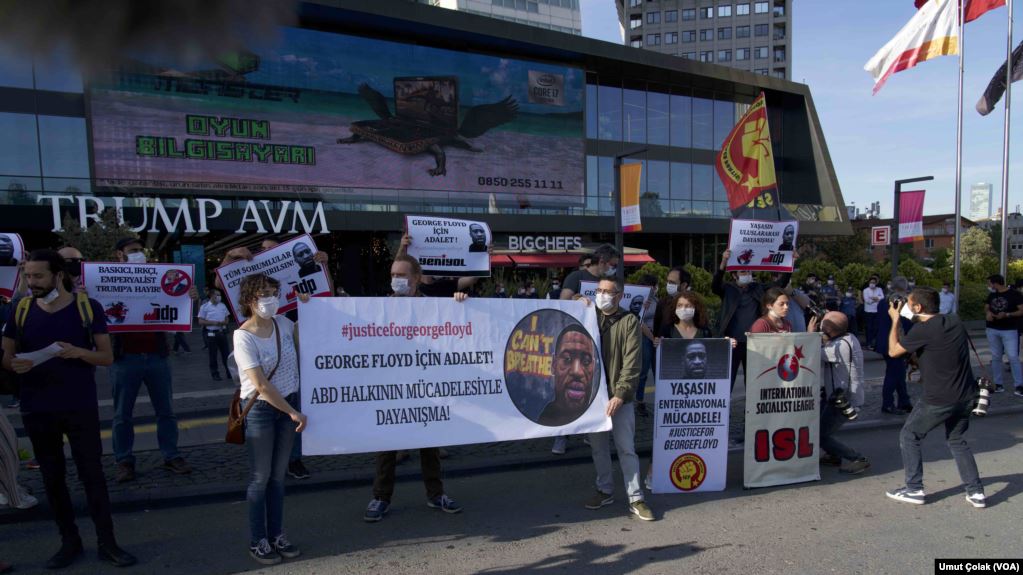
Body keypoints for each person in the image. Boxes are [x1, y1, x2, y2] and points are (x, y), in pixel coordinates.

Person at [1, 250, 136, 568]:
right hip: (37, 407)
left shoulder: (87, 308)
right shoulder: (20, 309)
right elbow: (5, 356)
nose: (31, 282)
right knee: (53, 477)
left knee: (92, 475)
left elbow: (106, 357)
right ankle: (69, 541)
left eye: (38, 276)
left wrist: (77, 352)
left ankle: (108, 542)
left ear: (58, 275)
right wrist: (13, 364)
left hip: (79, 405)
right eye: (28, 276)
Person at [365, 254, 465, 522]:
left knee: (429, 445)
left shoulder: (434, 307)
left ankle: (436, 494)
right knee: (387, 446)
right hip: (392, 388)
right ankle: (380, 497)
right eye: (393, 275)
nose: (396, 280)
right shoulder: (380, 308)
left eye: (402, 275)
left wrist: (460, 305)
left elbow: (457, 329)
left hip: (426, 387)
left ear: (416, 278)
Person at [884, 287, 986, 508]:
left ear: (918, 307)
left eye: (909, 305)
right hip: (966, 395)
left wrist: (894, 320)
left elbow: (893, 351)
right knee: (957, 440)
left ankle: (914, 489)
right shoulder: (955, 321)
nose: (906, 308)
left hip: (938, 399)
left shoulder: (923, 331)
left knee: (909, 435)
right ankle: (976, 492)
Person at [233, 274, 307, 565]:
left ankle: (277, 534)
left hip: (288, 406)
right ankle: (258, 540)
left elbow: (308, 343)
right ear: (251, 299)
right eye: (264, 293)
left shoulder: (284, 325)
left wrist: (308, 309)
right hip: (263, 412)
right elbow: (260, 385)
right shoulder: (243, 335)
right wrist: (292, 411)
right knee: (260, 478)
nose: (271, 299)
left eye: (274, 293)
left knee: (278, 478)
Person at [109, 237, 192, 483]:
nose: (138, 255)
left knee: (166, 411)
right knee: (122, 414)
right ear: (119, 255)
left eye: (140, 251)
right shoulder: (109, 280)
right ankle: (124, 460)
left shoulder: (157, 276)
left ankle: (171, 455)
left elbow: (176, 301)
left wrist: (189, 295)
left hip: (157, 356)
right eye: (133, 251)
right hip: (124, 358)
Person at [582, 278, 654, 521]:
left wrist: (621, 395)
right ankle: (605, 490)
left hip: (618, 397)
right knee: (598, 449)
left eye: (607, 291)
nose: (602, 295)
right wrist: (575, 301)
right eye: (599, 291)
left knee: (626, 448)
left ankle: (636, 498)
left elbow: (632, 363)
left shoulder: (629, 321)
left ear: (619, 295)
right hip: (592, 397)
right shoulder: (587, 315)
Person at [552, 244, 620, 454]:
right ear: (602, 262)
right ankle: (561, 437)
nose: (614, 269)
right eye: (612, 265)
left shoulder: (607, 283)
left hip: (599, 341)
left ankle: (592, 434)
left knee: (593, 389)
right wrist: (575, 299)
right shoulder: (576, 277)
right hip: (575, 341)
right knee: (566, 390)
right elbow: (562, 301)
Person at [712, 250, 791, 391]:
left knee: (754, 380)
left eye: (749, 271)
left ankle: (751, 411)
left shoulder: (758, 288)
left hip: (754, 343)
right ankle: (725, 410)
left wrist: (790, 261)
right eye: (743, 272)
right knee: (727, 380)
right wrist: (723, 262)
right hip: (732, 342)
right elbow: (715, 285)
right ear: (734, 275)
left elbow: (780, 284)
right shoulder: (728, 289)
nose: (747, 274)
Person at [809, 311, 870, 475]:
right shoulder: (849, 338)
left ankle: (857, 459)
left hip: (842, 400)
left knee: (820, 435)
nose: (820, 325)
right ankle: (833, 456)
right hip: (838, 396)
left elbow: (812, 354)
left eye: (823, 323)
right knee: (823, 429)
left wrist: (810, 335)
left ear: (829, 328)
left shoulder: (841, 346)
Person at [537, 324, 596, 426]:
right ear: (554, 365)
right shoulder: (544, 420)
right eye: (567, 359)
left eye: (586, 361)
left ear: (594, 367)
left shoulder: (598, 415)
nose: (577, 371)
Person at [875, 277, 914, 415]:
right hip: (896, 342)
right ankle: (888, 403)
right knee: (893, 374)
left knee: (899, 373)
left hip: (883, 342)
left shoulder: (882, 302)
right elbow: (908, 323)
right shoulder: (902, 303)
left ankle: (904, 401)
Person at [984, 274, 1023, 395]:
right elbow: (986, 306)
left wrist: (1007, 315)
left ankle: (1019, 385)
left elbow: (1021, 310)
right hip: (992, 329)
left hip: (1009, 329)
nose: (988, 286)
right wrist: (988, 313)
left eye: (989, 283)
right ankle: (998, 384)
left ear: (995, 283)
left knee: (1013, 357)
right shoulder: (992, 294)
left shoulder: (1014, 294)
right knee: (996, 357)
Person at [197, 288, 231, 381]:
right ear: (212, 295)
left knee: (226, 354)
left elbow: (227, 318)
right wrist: (213, 323)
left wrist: (224, 322)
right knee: (213, 355)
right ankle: (215, 373)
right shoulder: (205, 307)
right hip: (211, 334)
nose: (219, 297)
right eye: (217, 295)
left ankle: (229, 372)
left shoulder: (222, 306)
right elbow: (200, 321)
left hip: (221, 332)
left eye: (220, 295)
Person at [862, 276, 885, 350]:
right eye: (871, 282)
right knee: (869, 327)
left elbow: (882, 298)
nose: (872, 284)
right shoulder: (865, 290)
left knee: (876, 328)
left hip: (877, 311)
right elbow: (867, 301)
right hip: (868, 311)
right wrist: (876, 298)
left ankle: (874, 343)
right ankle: (868, 343)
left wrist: (873, 298)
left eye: (874, 283)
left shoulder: (879, 289)